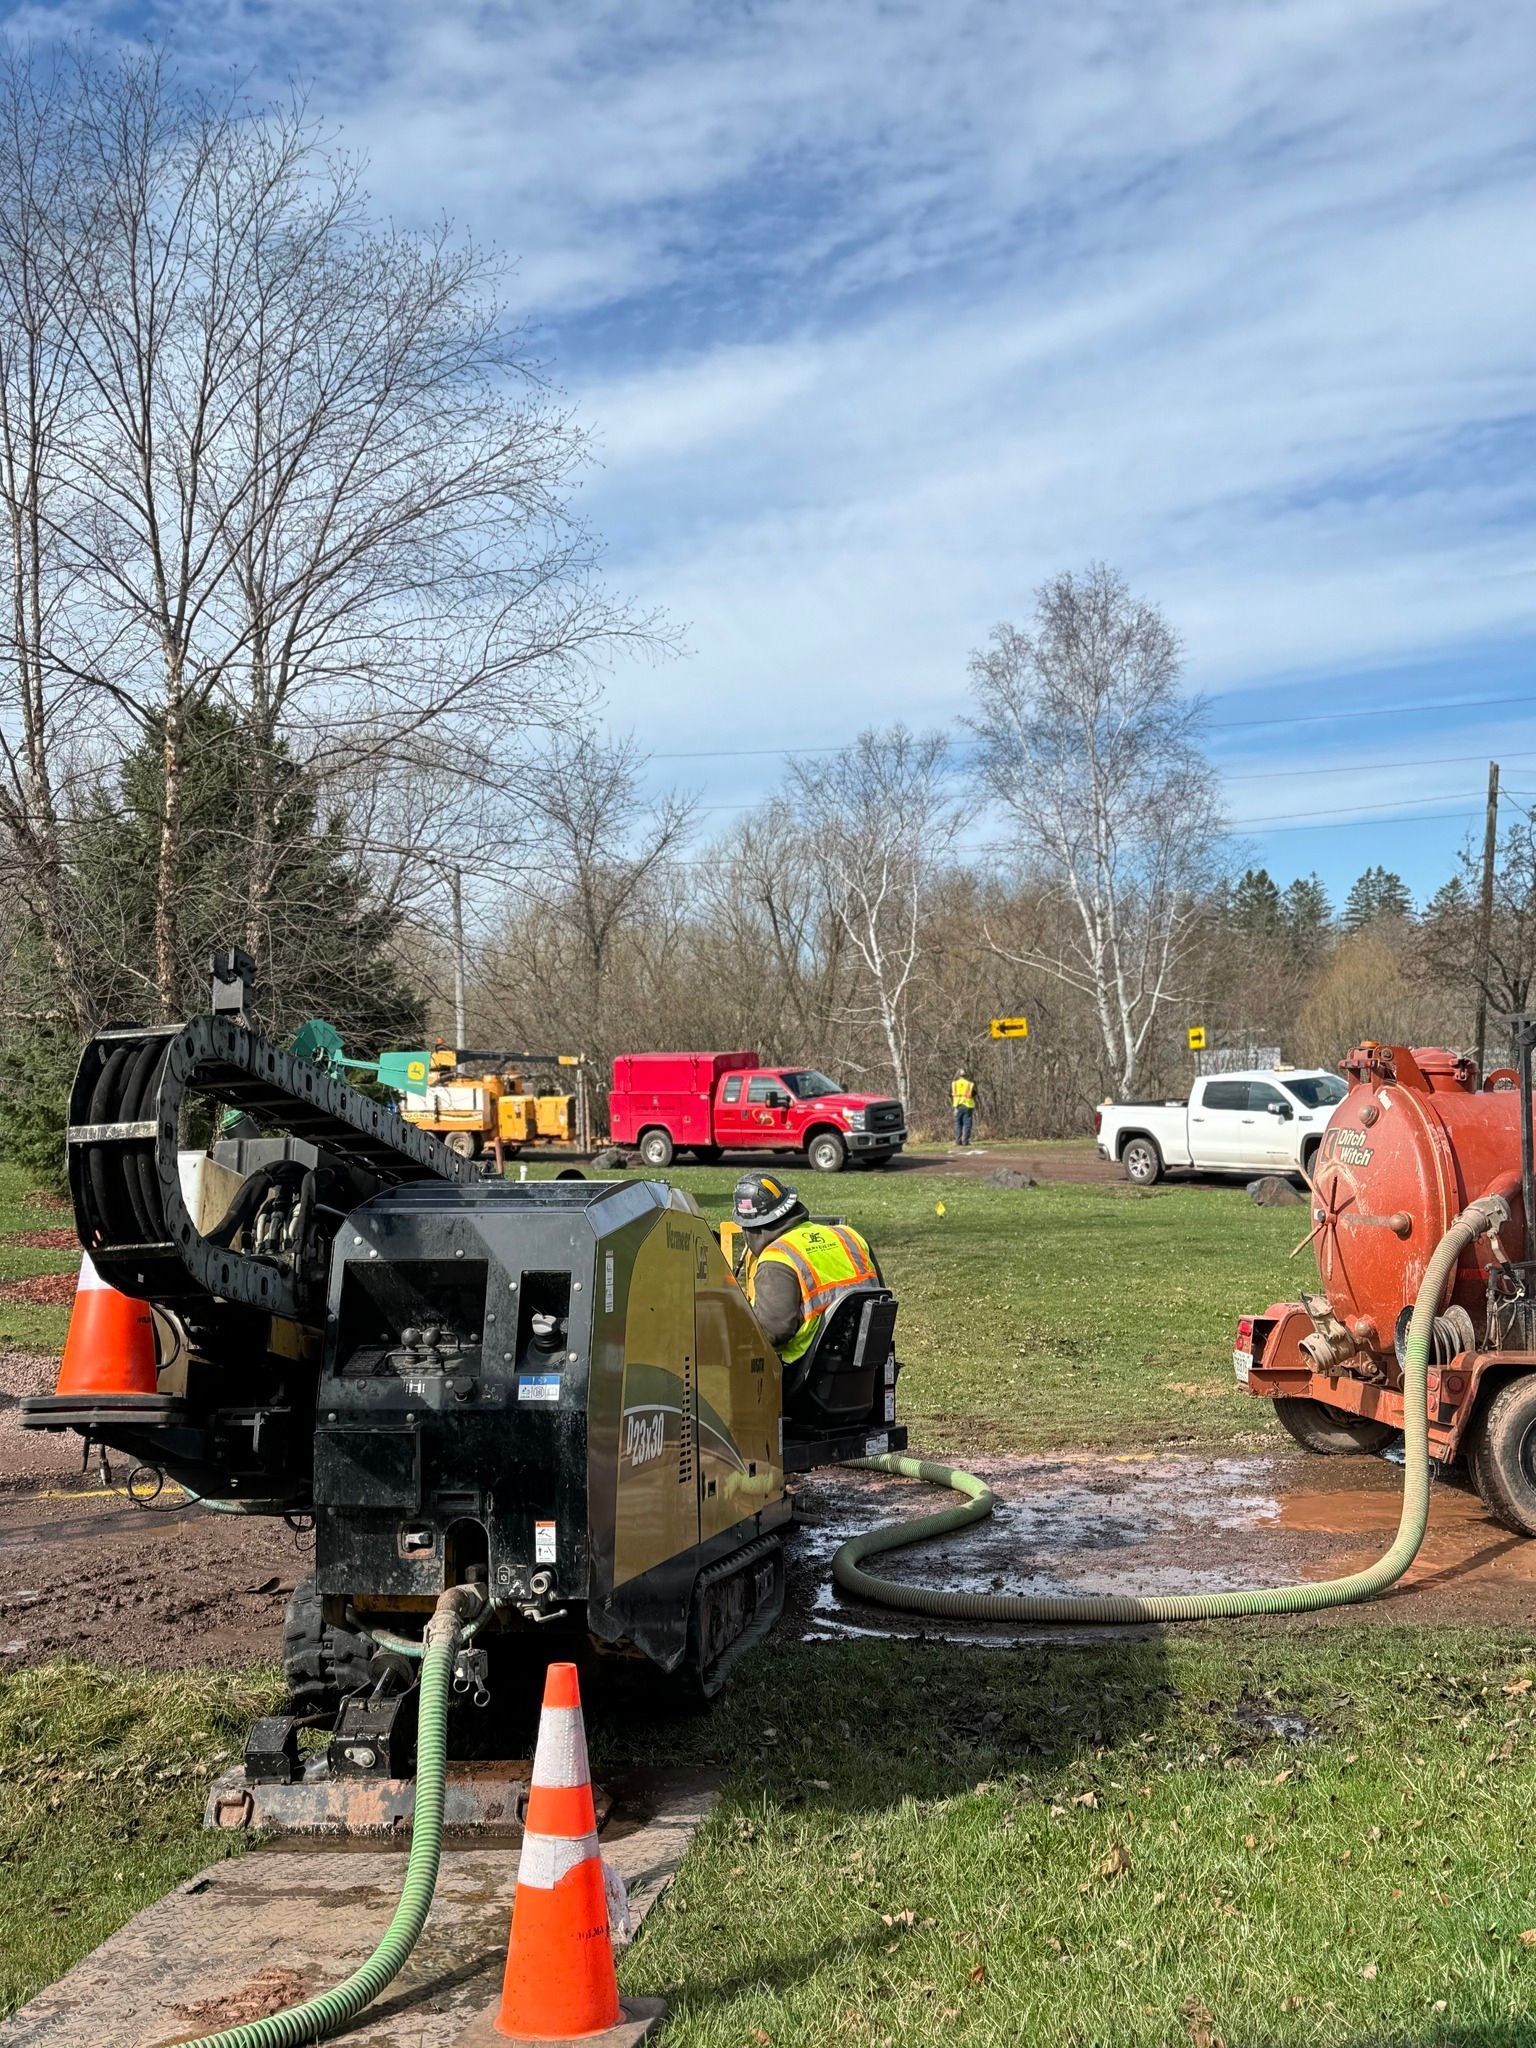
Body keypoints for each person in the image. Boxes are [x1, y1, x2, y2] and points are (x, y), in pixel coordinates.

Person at [731, 1172, 881, 1365]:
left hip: (807, 1375)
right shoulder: (850, 1236)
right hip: (866, 1366)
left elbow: (773, 1332)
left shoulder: (777, 1258)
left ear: (750, 1229)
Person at [951, 1068, 977, 1146]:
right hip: (967, 1105)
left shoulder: (954, 1084)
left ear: (958, 1075)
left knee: (958, 1123)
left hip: (957, 1106)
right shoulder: (969, 1084)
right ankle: (965, 1141)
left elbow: (950, 1094)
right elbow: (974, 1093)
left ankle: (958, 1141)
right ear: (966, 1075)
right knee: (967, 1124)